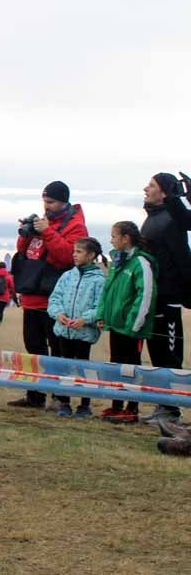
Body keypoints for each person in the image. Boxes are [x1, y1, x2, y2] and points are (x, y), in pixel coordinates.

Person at [8, 181, 89, 409]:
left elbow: (66, 257)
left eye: (51, 202)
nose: (47, 206)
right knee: (33, 348)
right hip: (32, 295)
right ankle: (35, 395)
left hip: (55, 300)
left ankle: (59, 398)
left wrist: (48, 232)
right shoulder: (42, 223)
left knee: (57, 351)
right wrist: (28, 231)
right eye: (44, 201)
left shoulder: (76, 226)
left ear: (63, 201)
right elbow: (23, 250)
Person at [140, 173, 189, 424]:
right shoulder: (151, 219)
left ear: (165, 192)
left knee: (170, 355)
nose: (145, 188)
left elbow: (183, 259)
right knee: (156, 353)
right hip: (152, 297)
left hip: (169, 297)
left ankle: (172, 410)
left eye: (152, 185)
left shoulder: (173, 219)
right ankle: (163, 405)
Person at [96, 221, 157, 423]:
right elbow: (108, 291)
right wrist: (102, 315)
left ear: (125, 238)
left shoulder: (140, 263)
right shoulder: (117, 263)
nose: (111, 240)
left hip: (132, 329)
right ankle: (116, 405)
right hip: (115, 326)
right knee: (116, 366)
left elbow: (145, 294)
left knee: (131, 368)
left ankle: (131, 409)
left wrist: (135, 324)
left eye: (114, 236)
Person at [47, 237, 108, 417]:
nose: (74, 255)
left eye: (79, 252)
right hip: (64, 331)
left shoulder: (99, 280)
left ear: (91, 255)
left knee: (83, 368)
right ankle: (64, 403)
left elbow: (100, 306)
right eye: (74, 251)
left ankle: (84, 404)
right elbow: (54, 298)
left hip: (84, 333)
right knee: (64, 367)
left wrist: (85, 319)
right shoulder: (67, 276)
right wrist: (59, 314)